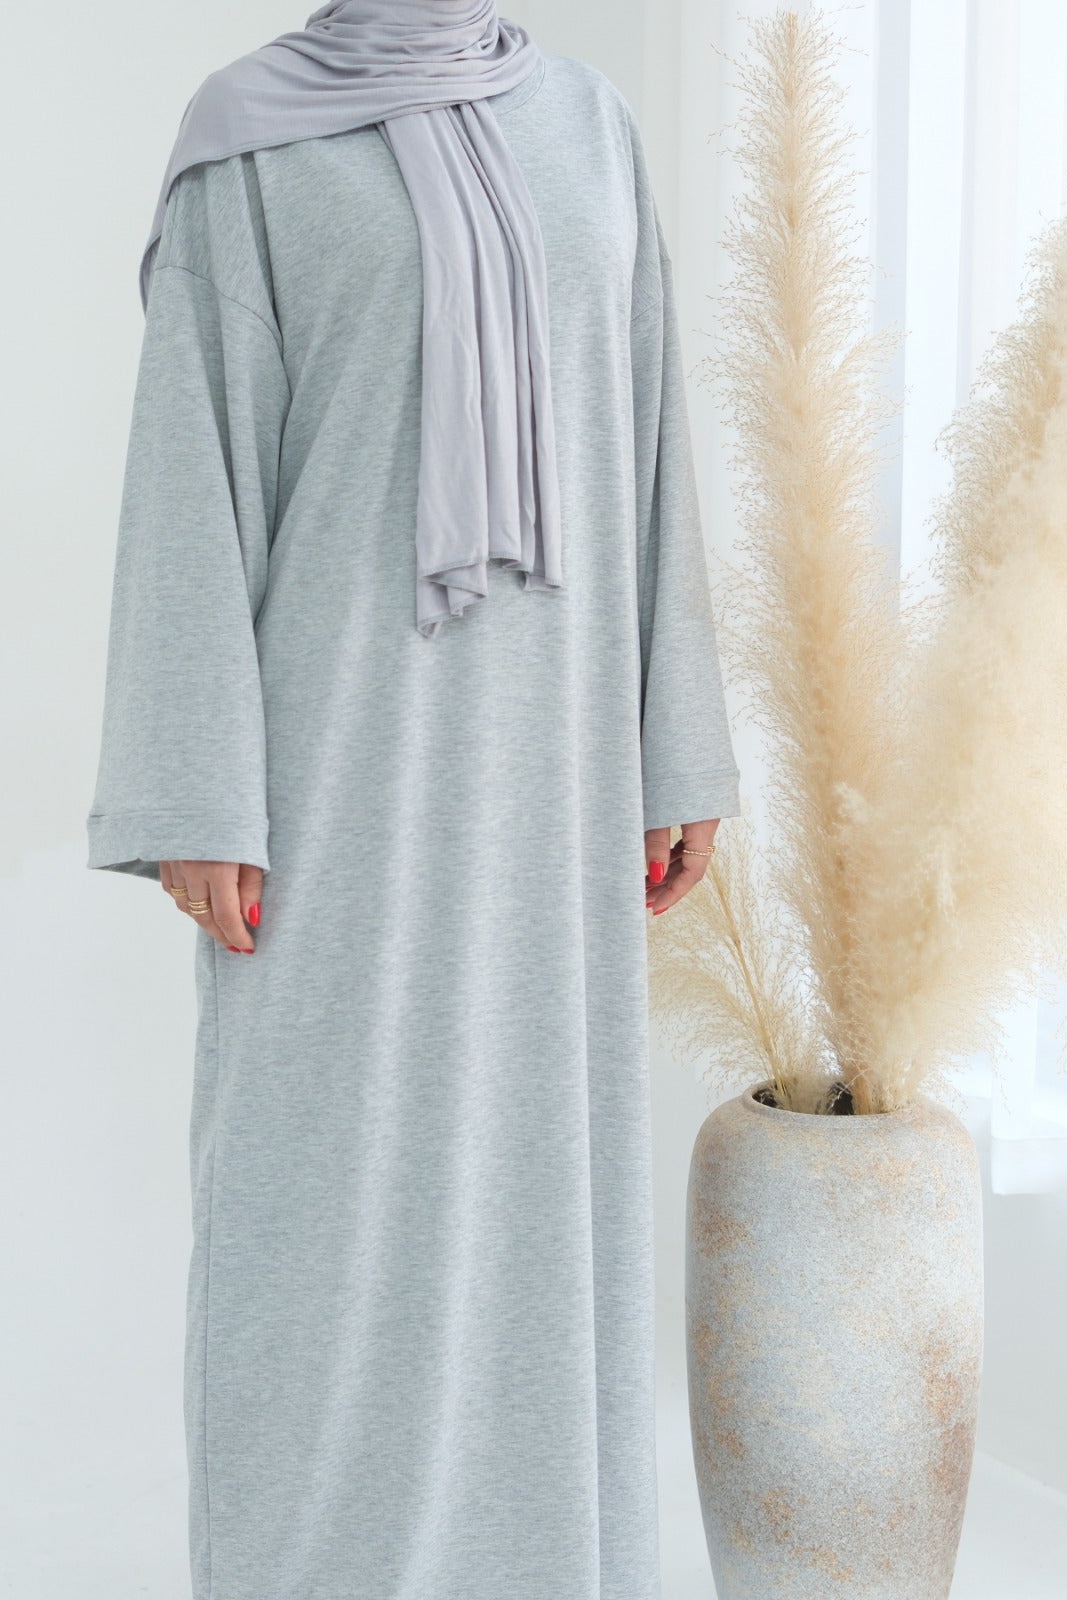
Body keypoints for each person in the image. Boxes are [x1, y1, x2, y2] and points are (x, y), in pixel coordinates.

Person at [85, 3, 740, 1594]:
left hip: (558, 777)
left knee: (539, 1193)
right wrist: (198, 790)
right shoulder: (249, 145)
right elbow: (190, 469)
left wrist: (676, 745)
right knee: (318, 1205)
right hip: (336, 783)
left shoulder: (589, 125)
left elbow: (651, 424)